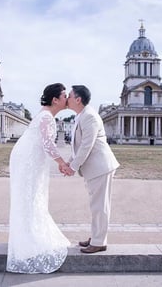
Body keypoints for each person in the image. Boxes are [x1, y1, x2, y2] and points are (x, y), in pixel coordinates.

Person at [7, 83, 71, 273]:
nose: (67, 99)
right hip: (29, 160)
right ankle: (29, 238)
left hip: (28, 157)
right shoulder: (46, 117)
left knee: (30, 196)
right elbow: (48, 144)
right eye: (64, 95)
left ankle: (26, 234)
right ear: (55, 100)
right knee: (31, 196)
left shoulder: (44, 115)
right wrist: (62, 162)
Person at [61, 85, 120, 254]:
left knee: (100, 206)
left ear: (78, 99)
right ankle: (96, 237)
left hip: (100, 167)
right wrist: (69, 162)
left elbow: (87, 145)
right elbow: (78, 146)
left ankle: (99, 241)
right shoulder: (82, 115)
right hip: (96, 168)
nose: (67, 99)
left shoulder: (90, 117)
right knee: (96, 205)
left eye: (70, 96)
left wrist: (72, 167)